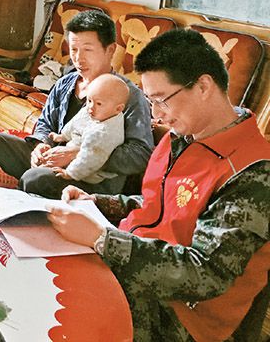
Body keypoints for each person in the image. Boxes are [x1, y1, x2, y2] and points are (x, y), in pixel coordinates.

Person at [48, 29, 270, 341]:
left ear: (203, 86)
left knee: (68, 308)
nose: (156, 114)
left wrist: (102, 240)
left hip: (180, 315)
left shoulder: (253, 171)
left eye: (160, 100)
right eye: (149, 101)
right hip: (137, 263)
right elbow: (162, 206)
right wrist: (97, 202)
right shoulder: (182, 136)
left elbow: (205, 274)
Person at [0, 10, 153, 197]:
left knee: (35, 178)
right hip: (53, 160)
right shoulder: (65, 83)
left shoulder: (128, 95)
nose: (78, 58)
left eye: (88, 50)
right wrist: (41, 145)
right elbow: (45, 123)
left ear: (110, 50)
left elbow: (141, 154)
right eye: (74, 49)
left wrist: (77, 153)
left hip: (90, 177)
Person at [18, 73, 130, 198]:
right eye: (89, 100)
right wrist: (61, 137)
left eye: (98, 104)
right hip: (65, 153)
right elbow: (74, 123)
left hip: (87, 174)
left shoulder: (104, 133)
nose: (91, 107)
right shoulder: (92, 108)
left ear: (118, 109)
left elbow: (88, 159)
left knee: (33, 177)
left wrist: (69, 173)